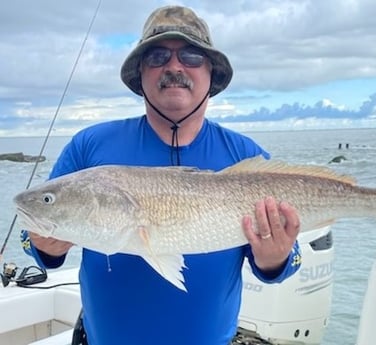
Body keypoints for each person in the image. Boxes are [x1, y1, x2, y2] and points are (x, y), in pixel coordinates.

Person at [22, 5, 302, 345]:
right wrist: (42, 244)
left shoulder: (245, 156)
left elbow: (288, 261)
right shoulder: (89, 147)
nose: (173, 67)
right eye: (157, 56)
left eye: (191, 56)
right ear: (139, 74)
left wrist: (276, 259)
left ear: (212, 73)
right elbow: (35, 241)